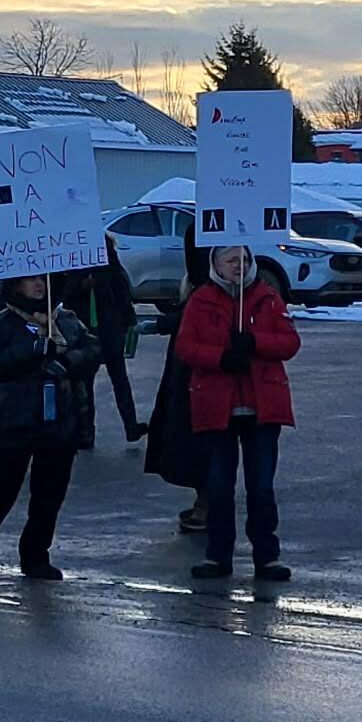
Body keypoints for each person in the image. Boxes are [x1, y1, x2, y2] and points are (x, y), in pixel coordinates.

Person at [0, 275, 102, 581]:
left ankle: (35, 556)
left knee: (49, 495)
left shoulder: (65, 319)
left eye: (42, 280)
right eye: (30, 280)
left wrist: (67, 362)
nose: (38, 286)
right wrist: (33, 348)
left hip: (59, 422)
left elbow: (93, 349)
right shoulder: (5, 322)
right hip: (15, 422)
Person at [175, 244, 301, 582]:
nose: (239, 265)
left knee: (261, 487)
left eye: (244, 259)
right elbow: (185, 347)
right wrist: (221, 357)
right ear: (216, 264)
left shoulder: (267, 297)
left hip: (262, 406)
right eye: (232, 260)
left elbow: (290, 342)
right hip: (218, 405)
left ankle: (267, 556)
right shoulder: (201, 300)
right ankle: (218, 555)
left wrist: (256, 342)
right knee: (219, 486)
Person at [145, 227, 212, 533]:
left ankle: (208, 503)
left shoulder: (209, 288)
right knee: (192, 433)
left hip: (200, 374)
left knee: (200, 435)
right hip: (187, 369)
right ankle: (206, 499)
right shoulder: (205, 230)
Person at [64, 237, 146, 443]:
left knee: (113, 378)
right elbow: (63, 289)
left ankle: (125, 427)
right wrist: (81, 285)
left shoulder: (98, 245)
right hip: (89, 324)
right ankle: (89, 431)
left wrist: (128, 317)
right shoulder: (75, 246)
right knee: (90, 381)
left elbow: (119, 282)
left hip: (106, 323)